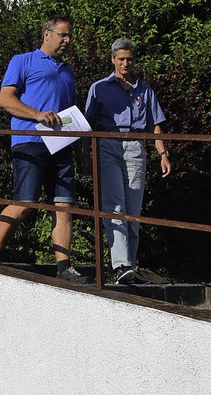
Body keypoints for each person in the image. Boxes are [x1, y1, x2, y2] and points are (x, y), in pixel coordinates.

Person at [0, 16, 91, 284]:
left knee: (64, 206)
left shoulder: (67, 71)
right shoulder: (23, 61)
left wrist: (82, 153)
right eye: (63, 35)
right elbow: (5, 99)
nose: (68, 40)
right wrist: (37, 114)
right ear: (47, 34)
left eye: (69, 36)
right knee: (25, 203)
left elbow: (70, 115)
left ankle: (64, 267)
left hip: (62, 145)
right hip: (29, 140)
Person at [85, 38, 171, 284]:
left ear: (134, 60)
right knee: (115, 207)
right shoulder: (98, 87)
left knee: (133, 211)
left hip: (135, 147)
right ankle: (120, 264)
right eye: (121, 59)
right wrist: (85, 155)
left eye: (129, 59)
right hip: (107, 145)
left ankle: (129, 269)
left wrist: (163, 154)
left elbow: (155, 124)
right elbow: (88, 125)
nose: (125, 63)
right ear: (112, 59)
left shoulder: (144, 89)